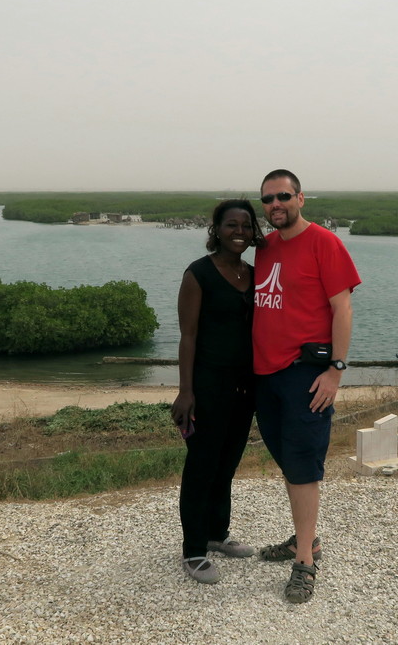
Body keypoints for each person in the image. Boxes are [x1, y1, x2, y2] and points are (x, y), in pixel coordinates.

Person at [252, 169, 361, 603]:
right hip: (265, 374)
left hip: (304, 374)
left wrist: (335, 371)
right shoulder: (265, 248)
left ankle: (305, 563)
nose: (274, 204)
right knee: (287, 459)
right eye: (267, 199)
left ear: (301, 198)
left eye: (282, 196)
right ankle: (306, 539)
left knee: (303, 465)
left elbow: (343, 308)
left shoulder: (324, 242)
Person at [171, 199, 265, 584]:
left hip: (245, 387)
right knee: (202, 468)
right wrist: (185, 392)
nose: (239, 232)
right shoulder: (199, 274)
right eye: (231, 225)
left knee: (227, 466)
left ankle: (216, 534)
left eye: (246, 225)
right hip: (208, 386)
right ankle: (193, 550)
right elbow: (188, 337)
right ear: (216, 230)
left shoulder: (255, 275)